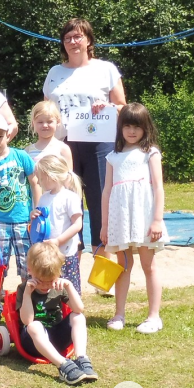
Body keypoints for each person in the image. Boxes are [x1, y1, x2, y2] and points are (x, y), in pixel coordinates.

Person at [42, 18, 127, 282]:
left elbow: (123, 106)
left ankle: (103, 280)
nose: (73, 41)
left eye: (78, 36)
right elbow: (47, 110)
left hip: (99, 144)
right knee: (65, 203)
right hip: (64, 145)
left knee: (101, 205)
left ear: (88, 40)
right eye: (68, 38)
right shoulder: (55, 71)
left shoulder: (105, 69)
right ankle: (69, 274)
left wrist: (107, 108)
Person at [100, 103, 169, 334]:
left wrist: (157, 219)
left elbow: (158, 188)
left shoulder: (151, 153)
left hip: (144, 215)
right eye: (127, 126)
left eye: (137, 126)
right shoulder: (113, 157)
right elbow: (107, 192)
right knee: (123, 266)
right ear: (120, 128)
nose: (132, 131)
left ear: (145, 128)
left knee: (149, 265)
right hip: (121, 219)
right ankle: (119, 314)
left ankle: (153, 316)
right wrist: (105, 224)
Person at [0, 113, 40, 321]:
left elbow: (35, 183)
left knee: (27, 262)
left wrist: (36, 210)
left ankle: (26, 296)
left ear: (8, 135)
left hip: (24, 221)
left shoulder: (21, 156)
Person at [17, 241, 98, 385]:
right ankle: (63, 365)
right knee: (34, 325)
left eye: (51, 280)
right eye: (42, 281)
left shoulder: (59, 286)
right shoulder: (25, 289)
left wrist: (69, 285)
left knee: (78, 317)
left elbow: (79, 308)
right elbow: (27, 321)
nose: (47, 285)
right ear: (30, 270)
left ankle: (81, 359)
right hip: (34, 342)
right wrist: (28, 295)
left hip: (57, 338)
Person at [30, 155, 84, 293]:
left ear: (51, 176)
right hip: (49, 254)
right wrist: (34, 216)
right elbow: (40, 222)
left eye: (40, 178)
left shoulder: (69, 197)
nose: (38, 182)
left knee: (67, 286)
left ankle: (72, 311)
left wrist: (58, 241)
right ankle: (53, 311)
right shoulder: (44, 198)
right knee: (50, 287)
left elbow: (77, 224)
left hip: (65, 252)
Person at [24, 100, 72, 167]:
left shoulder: (63, 149)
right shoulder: (28, 151)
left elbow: (69, 176)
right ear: (33, 123)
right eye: (40, 122)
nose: (45, 125)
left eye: (49, 122)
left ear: (58, 122)